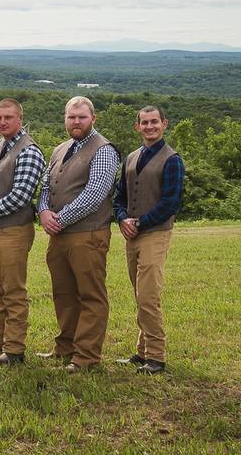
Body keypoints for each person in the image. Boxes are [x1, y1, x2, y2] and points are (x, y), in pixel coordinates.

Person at [37, 96, 120, 373]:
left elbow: (95, 194)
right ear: (65, 118)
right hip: (58, 236)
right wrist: (43, 211)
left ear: (93, 119)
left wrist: (59, 219)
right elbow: (47, 186)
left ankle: (86, 357)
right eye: (71, 117)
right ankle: (66, 348)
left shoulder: (104, 150)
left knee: (90, 296)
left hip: (88, 234)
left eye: (82, 117)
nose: (76, 122)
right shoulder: (61, 149)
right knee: (63, 293)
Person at [0, 99, 46, 366]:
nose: (2, 122)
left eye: (8, 117)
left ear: (20, 119)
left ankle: (14, 349)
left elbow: (21, 196)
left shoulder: (30, 151)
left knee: (13, 291)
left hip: (13, 231)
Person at [113, 106, 184, 375]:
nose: (150, 126)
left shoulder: (172, 159)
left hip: (155, 233)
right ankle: (142, 352)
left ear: (165, 124)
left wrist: (140, 222)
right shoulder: (131, 158)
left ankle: (156, 356)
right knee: (138, 293)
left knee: (149, 296)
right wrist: (121, 218)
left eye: (155, 122)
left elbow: (171, 202)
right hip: (131, 234)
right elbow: (119, 196)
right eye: (145, 122)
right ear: (137, 126)